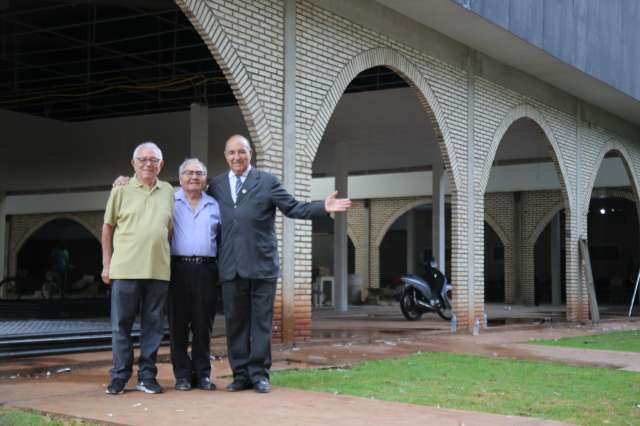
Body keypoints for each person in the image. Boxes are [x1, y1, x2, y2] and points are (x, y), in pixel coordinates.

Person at [209, 134, 351, 393]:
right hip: (230, 267)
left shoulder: (266, 181)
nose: (236, 157)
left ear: (250, 154)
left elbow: (294, 208)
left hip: (261, 266)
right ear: (226, 156)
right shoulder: (216, 185)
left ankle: (260, 374)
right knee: (235, 324)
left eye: (241, 152)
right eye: (231, 153)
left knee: (261, 323)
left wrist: (323, 207)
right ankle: (240, 375)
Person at [102, 142, 174, 395]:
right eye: (142, 159)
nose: (147, 163)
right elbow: (108, 228)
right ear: (133, 163)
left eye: (153, 159)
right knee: (121, 326)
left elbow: (170, 229)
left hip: (158, 272)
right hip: (124, 270)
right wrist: (106, 264)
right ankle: (120, 376)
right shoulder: (120, 190)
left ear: (161, 165)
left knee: (153, 327)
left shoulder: (168, 191)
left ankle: (147, 377)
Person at [169, 158, 220, 391]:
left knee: (203, 325)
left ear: (205, 178)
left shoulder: (214, 205)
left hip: (206, 270)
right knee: (178, 325)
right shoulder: (169, 201)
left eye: (199, 173)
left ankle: (202, 375)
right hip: (176, 269)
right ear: (180, 178)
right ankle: (182, 375)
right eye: (188, 173)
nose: (193, 177)